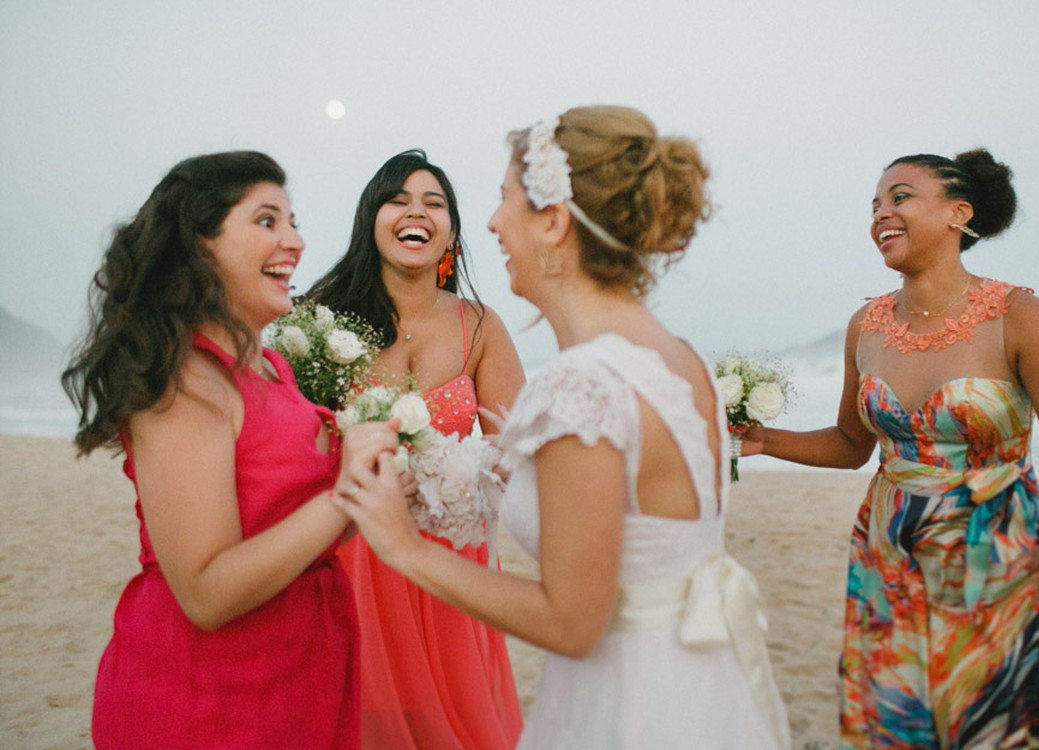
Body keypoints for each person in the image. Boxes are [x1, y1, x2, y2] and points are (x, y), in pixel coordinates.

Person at [330, 106, 791, 750]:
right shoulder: (680, 358)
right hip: (700, 691)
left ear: (551, 222)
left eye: (504, 200)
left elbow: (574, 623)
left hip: (628, 712)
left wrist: (403, 547)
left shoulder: (582, 385)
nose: (490, 223)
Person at [743, 149, 1039, 747]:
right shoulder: (867, 326)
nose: (882, 213)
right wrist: (763, 440)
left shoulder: (1020, 315)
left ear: (960, 213)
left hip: (993, 560)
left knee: (997, 721)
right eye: (874, 205)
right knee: (895, 718)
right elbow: (853, 444)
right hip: (889, 559)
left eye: (900, 197)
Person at [62, 151, 402, 748]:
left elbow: (296, 525)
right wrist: (348, 492)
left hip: (298, 678)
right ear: (200, 247)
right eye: (267, 221)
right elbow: (206, 591)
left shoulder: (272, 368)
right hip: (210, 699)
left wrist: (381, 484)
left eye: (293, 221)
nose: (294, 240)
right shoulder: (187, 381)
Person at [305, 149, 526, 749]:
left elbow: (514, 451)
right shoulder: (321, 321)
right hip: (352, 548)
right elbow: (291, 445)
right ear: (371, 219)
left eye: (434, 203)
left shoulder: (480, 326)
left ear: (451, 231)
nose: (416, 212)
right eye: (397, 199)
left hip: (454, 557)